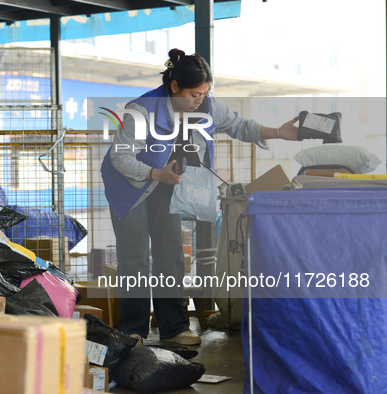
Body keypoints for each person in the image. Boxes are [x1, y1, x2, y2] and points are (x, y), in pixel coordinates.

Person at [100, 48, 299, 346]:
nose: (200, 99)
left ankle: (174, 327)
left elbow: (240, 126)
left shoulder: (206, 106)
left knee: (171, 256)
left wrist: (280, 132)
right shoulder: (141, 110)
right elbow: (120, 157)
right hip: (131, 186)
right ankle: (134, 331)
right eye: (194, 93)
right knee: (135, 259)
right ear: (174, 87)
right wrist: (156, 174)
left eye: (204, 93)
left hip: (168, 184)